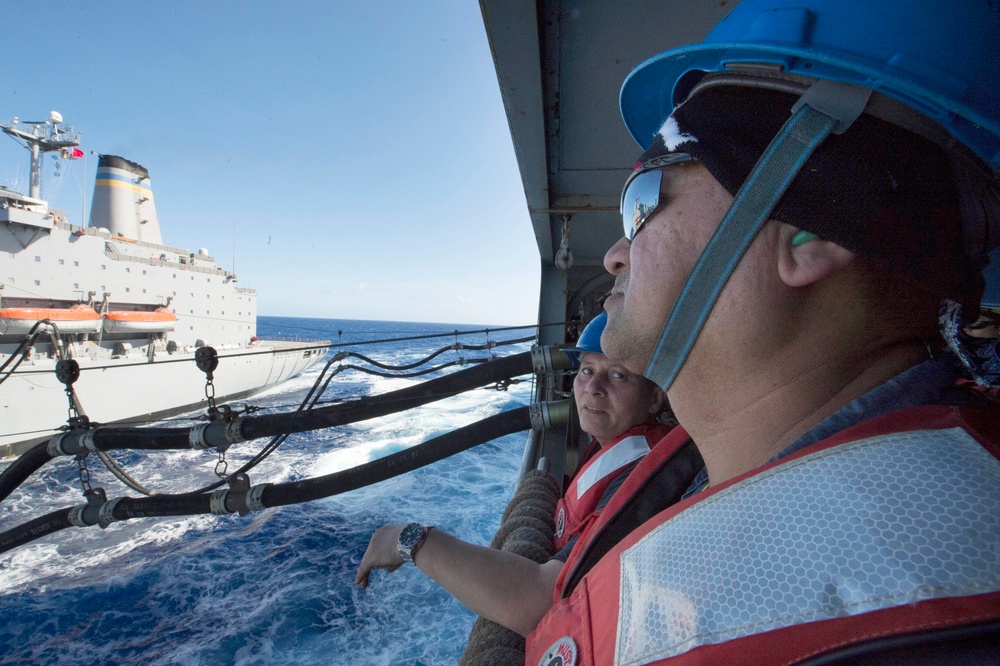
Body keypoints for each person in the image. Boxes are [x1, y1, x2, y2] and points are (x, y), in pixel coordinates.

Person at [526, 1, 1000, 664]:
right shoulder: (723, 458)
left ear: (818, 233)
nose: (613, 255)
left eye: (644, 200)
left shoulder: (934, 636)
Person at [354, 313, 671, 637]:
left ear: (655, 397)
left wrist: (409, 540)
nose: (592, 387)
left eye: (617, 375)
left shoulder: (646, 476)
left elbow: (544, 603)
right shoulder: (614, 445)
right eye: (587, 370)